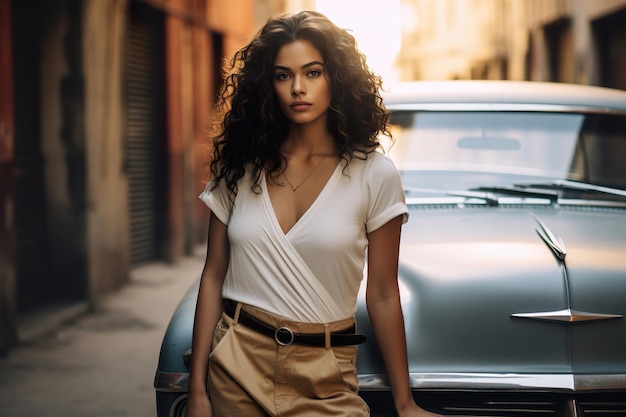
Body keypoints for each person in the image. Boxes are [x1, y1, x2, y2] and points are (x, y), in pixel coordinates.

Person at [187, 10, 441, 417]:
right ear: (267, 84)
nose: (298, 88)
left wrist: (405, 402)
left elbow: (382, 292)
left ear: (335, 78)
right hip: (236, 363)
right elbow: (214, 273)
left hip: (326, 373)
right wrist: (198, 387)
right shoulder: (239, 166)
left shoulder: (373, 174)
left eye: (313, 72)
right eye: (283, 75)